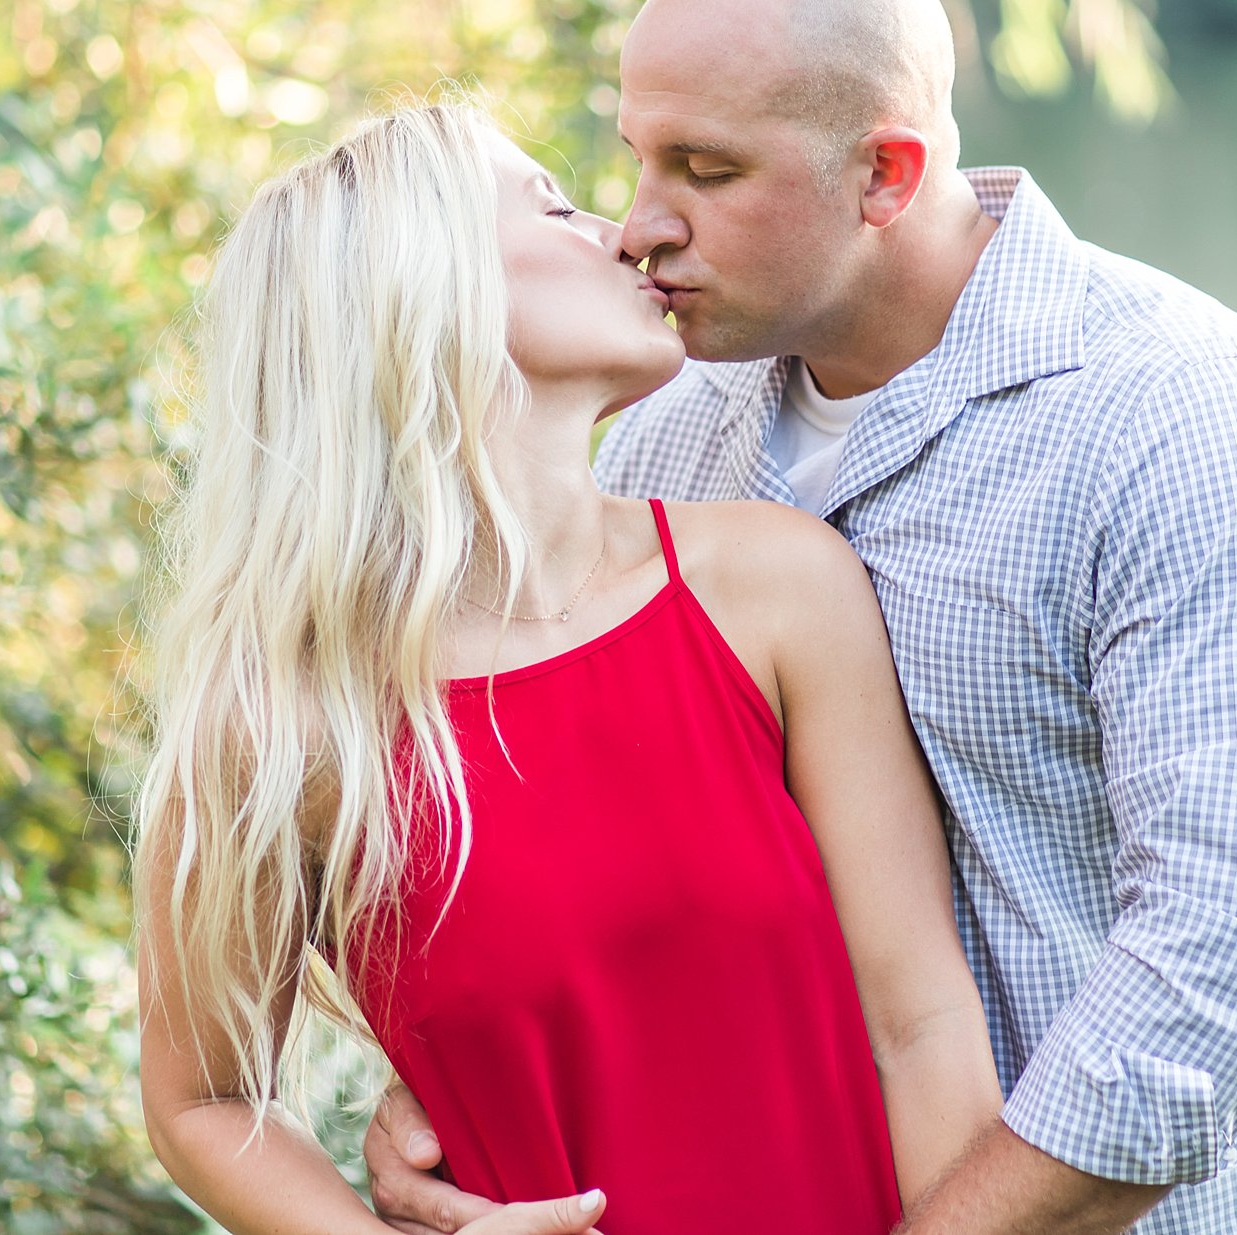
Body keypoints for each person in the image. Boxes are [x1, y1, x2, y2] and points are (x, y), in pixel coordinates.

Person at [367, 0, 1237, 1234]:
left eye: (705, 171)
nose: (640, 225)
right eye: (637, 161)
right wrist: (453, 1081)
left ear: (885, 171)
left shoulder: (1197, 429)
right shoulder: (671, 437)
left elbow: (1221, 966)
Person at [131, 99, 1003, 1235]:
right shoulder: (288, 722)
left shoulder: (776, 588)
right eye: (554, 205)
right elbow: (203, 1098)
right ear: (431, 292)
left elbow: (921, 1024)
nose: (623, 233)